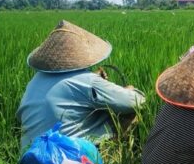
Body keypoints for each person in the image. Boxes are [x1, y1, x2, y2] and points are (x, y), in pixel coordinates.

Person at [17, 20, 145, 149]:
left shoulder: (36, 79)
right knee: (129, 113)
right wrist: (130, 90)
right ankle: (109, 161)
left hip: (29, 154)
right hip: (66, 157)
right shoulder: (88, 80)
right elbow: (135, 102)